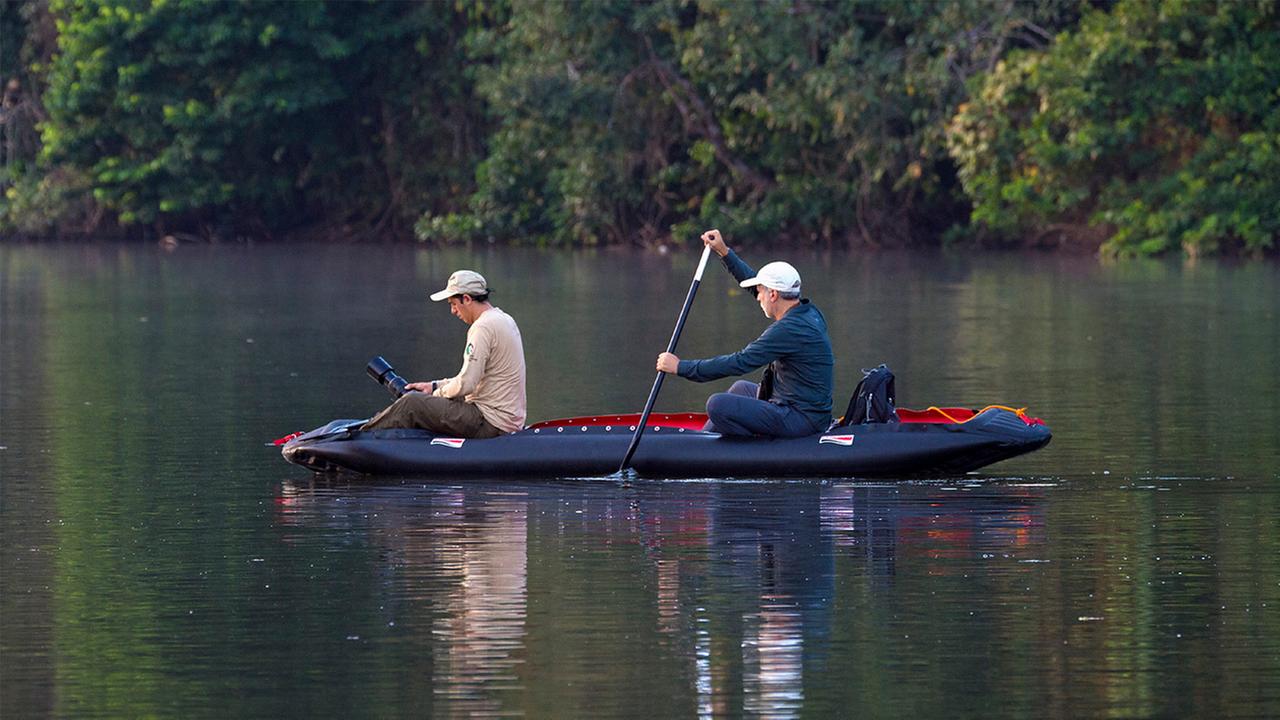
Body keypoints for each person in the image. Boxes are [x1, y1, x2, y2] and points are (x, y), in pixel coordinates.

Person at [655, 229, 833, 437]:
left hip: (801, 419)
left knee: (717, 404)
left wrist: (681, 367)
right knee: (740, 389)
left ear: (773, 294)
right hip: (796, 406)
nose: (757, 297)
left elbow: (739, 362)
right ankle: (701, 441)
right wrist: (724, 252)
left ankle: (751, 448)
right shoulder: (808, 311)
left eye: (760, 292)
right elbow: (751, 283)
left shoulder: (787, 330)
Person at [362, 270, 526, 438]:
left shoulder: (482, 328)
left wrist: (434, 395)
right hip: (504, 420)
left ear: (467, 299)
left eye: (453, 304)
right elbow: (474, 381)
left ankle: (359, 440)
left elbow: (467, 384)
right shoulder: (503, 318)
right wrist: (433, 386)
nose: (453, 311)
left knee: (412, 403)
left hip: (490, 422)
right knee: (420, 400)